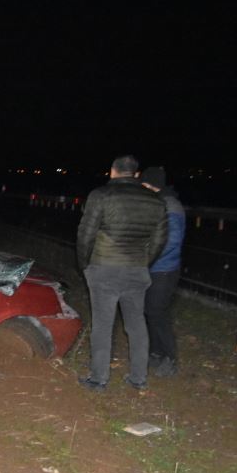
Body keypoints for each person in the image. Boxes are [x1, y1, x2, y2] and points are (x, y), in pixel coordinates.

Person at [76, 155, 167, 391]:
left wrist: (84, 264)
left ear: (112, 171)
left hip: (104, 268)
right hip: (136, 270)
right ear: (136, 174)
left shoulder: (101, 195)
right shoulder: (156, 201)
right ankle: (138, 377)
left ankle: (99, 379)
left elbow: (85, 235)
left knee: (103, 325)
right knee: (136, 324)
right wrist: (143, 262)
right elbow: (159, 241)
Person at [140, 166, 185, 377]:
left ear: (152, 185)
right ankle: (156, 352)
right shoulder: (157, 203)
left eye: (143, 185)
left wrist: (146, 258)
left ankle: (170, 357)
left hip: (164, 270)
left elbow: (171, 241)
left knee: (158, 313)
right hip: (152, 267)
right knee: (150, 311)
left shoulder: (171, 205)